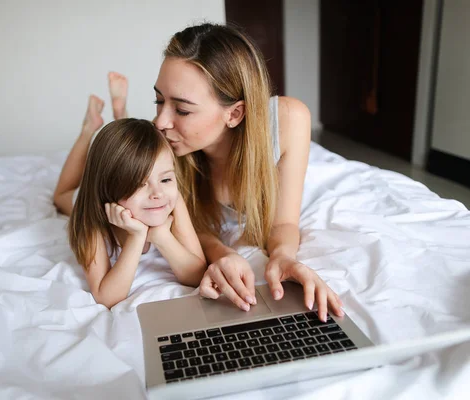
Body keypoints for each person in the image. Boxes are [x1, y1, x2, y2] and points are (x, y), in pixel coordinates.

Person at [56, 23, 344, 321]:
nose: (160, 122)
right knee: (66, 196)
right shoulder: (170, 148)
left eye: (181, 110)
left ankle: (118, 113)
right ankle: (104, 122)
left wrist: (283, 256)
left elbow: (282, 223)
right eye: (158, 100)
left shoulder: (288, 120)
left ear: (234, 114)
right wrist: (224, 255)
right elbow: (194, 229)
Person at [54, 97, 206, 309]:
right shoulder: (91, 217)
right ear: (110, 191)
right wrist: (137, 237)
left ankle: (120, 115)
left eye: (166, 179)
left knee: (131, 157)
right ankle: (88, 129)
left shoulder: (171, 199)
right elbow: (106, 298)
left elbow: (197, 275)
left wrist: (162, 237)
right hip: (85, 199)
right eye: (140, 184)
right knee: (61, 196)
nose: (157, 193)